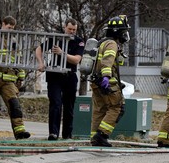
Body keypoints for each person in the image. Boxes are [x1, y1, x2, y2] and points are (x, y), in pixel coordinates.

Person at [36, 18, 84, 140]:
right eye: (70, 29)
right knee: (55, 104)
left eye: (74, 30)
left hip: (70, 76)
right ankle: (53, 133)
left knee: (69, 106)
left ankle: (67, 134)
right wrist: (41, 63)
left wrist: (62, 53)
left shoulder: (79, 42)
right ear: (64, 27)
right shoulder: (56, 39)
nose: (72, 32)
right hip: (54, 76)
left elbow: (77, 59)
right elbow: (39, 49)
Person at [90, 15, 130, 147]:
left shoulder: (102, 42)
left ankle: (94, 138)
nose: (125, 34)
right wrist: (106, 77)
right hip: (106, 82)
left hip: (96, 82)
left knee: (100, 110)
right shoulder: (112, 44)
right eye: (124, 31)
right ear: (117, 32)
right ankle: (102, 135)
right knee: (118, 107)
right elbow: (107, 61)